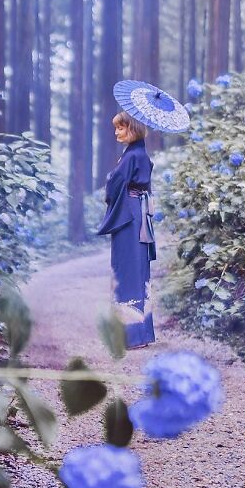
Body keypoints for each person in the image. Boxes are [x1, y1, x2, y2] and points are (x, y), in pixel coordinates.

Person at [96, 111, 157, 349]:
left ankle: (129, 335)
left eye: (120, 128)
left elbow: (114, 186)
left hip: (129, 215)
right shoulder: (140, 154)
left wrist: (112, 177)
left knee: (127, 269)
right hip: (138, 213)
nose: (116, 133)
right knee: (137, 269)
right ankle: (141, 333)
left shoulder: (132, 156)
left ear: (132, 128)